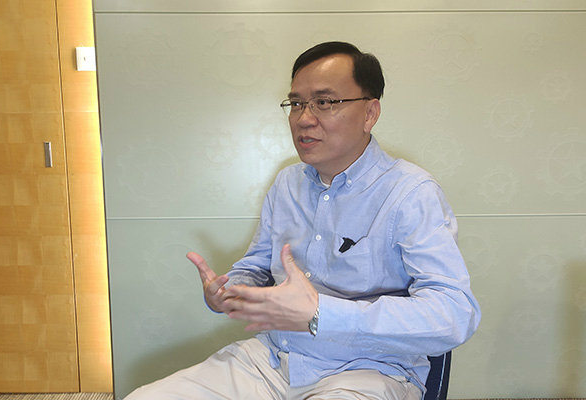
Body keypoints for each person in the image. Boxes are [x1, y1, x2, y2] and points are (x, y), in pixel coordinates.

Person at [125, 41, 481, 400]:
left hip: (368, 370)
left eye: (324, 102)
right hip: (272, 360)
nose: (304, 118)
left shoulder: (411, 192)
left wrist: (322, 314)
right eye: (296, 104)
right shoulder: (287, 183)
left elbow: (454, 314)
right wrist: (230, 289)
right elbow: (257, 266)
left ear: (370, 112)